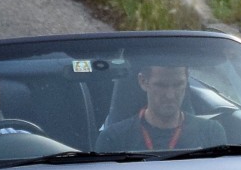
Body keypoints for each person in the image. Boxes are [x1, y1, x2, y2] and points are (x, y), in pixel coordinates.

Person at [96, 64, 225, 152]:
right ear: (143, 81)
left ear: (186, 81)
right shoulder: (113, 139)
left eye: (178, 84)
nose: (170, 95)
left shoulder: (211, 133)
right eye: (161, 85)